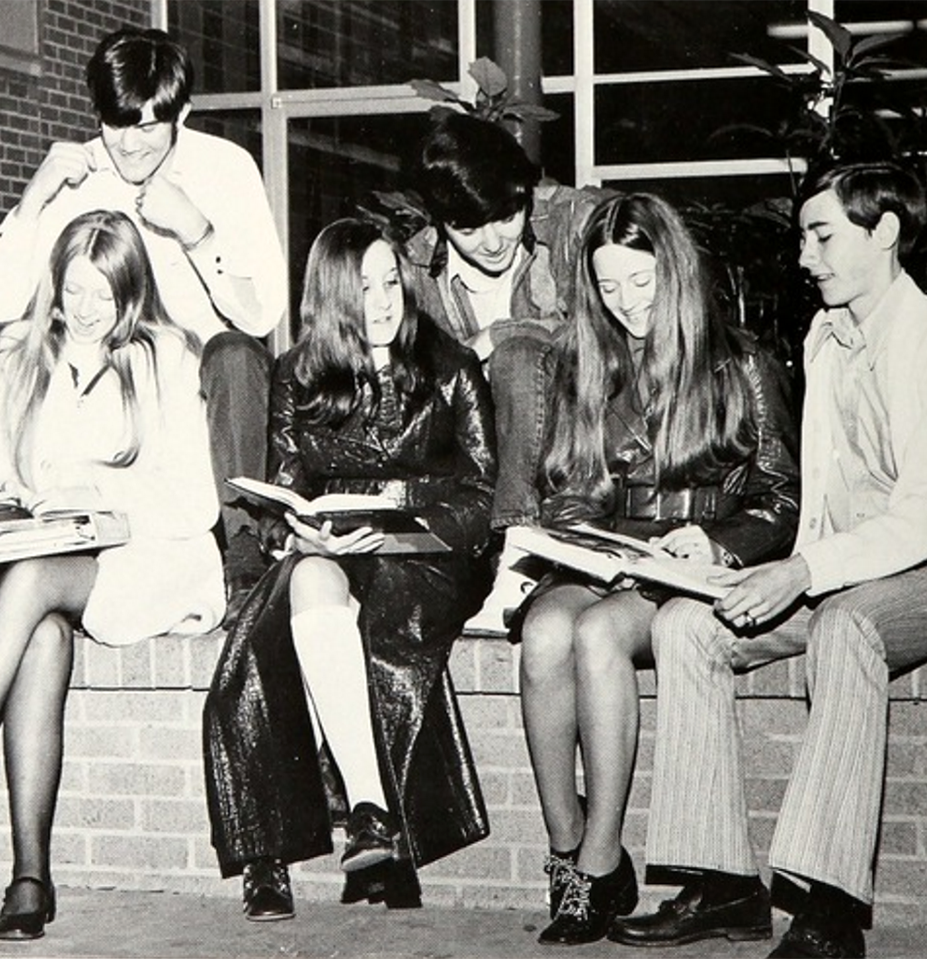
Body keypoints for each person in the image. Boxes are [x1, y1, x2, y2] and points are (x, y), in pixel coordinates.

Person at [609, 163, 927, 959]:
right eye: (803, 237)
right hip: (839, 566)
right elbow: (822, 491)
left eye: (824, 235)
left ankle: (829, 911)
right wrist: (764, 569)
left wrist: (804, 575)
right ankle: (722, 882)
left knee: (844, 628)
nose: (806, 256)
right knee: (687, 624)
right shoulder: (826, 337)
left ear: (886, 233)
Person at [516, 193, 800, 946]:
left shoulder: (738, 361)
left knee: (598, 636)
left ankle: (603, 853)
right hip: (613, 557)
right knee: (544, 631)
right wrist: (582, 540)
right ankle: (567, 846)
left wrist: (714, 542)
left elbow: (782, 498)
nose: (627, 305)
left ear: (672, 269)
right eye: (608, 288)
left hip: (686, 567)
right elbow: (568, 487)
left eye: (641, 282)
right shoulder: (585, 359)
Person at [203, 218, 497, 920]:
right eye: (364, 287)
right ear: (332, 298)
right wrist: (296, 525)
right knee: (256, 645)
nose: (385, 299)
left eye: (391, 280)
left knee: (381, 635)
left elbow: (484, 495)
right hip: (333, 551)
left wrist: (405, 522)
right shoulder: (299, 374)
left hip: (426, 553)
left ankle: (368, 821)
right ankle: (362, 815)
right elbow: (282, 487)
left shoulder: (449, 366)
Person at [0, 209, 225, 941]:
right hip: (34, 573)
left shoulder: (165, 358)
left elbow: (196, 502)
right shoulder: (12, 356)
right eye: (73, 291)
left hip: (139, 564)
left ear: (131, 294)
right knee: (41, 635)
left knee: (38, 578)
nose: (84, 312)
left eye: (103, 297)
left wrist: (97, 490)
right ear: (55, 283)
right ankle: (29, 879)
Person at [0, 26, 288, 622]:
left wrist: (198, 232)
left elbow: (261, 313)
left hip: (198, 384)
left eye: (149, 126)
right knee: (16, 348)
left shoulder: (227, 168)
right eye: (117, 125)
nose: (132, 145)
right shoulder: (82, 177)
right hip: (119, 386)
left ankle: (243, 550)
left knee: (235, 355)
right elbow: (0, 303)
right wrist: (34, 198)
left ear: (182, 113)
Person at [407, 111, 611, 629]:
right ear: (438, 220)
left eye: (506, 215)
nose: (494, 241)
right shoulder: (413, 268)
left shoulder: (575, 223)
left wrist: (501, 334)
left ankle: (520, 555)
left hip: (579, 431)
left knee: (517, 355)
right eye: (469, 229)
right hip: (477, 461)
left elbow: (614, 325)